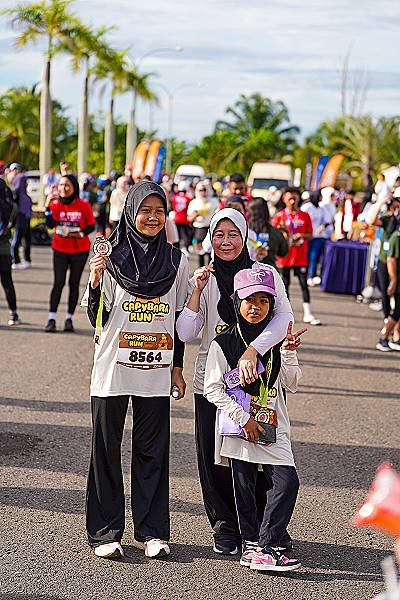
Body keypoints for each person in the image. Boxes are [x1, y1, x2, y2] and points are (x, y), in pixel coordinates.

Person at [176, 208, 293, 555]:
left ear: (245, 237)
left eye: (233, 234)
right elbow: (185, 332)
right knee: (214, 459)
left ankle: (265, 527)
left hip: (261, 382)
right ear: (209, 238)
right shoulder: (204, 278)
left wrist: (253, 351)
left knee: (261, 455)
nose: (226, 242)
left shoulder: (265, 273)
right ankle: (226, 526)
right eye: (219, 235)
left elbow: (284, 317)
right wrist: (196, 292)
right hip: (213, 382)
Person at [83, 181, 189, 560]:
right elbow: (96, 317)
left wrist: (177, 368)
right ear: (130, 211)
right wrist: (96, 279)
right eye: (145, 210)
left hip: (156, 369)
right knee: (105, 449)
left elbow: (178, 318)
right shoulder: (109, 256)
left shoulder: (177, 261)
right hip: (112, 368)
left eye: (160, 211)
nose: (153, 218)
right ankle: (105, 532)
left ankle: (153, 532)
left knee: (152, 452)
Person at [205, 268, 304, 571]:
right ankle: (254, 545)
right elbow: (212, 389)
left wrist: (288, 353)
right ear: (237, 301)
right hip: (239, 427)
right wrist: (243, 418)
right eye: (249, 300)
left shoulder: (275, 339)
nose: (256, 307)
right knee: (244, 489)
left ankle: (268, 542)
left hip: (274, 424)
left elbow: (291, 383)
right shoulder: (223, 343)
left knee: (287, 482)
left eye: (264, 301)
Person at [44, 174, 95, 333]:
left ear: (74, 187)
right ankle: (51, 319)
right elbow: (50, 225)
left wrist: (78, 233)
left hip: (80, 250)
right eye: (61, 185)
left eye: (67, 185)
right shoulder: (56, 205)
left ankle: (69, 319)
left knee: (74, 284)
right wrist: (47, 206)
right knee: (58, 283)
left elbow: (91, 226)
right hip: (60, 249)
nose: (63, 188)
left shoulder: (83, 205)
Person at [273, 188, 321, 326]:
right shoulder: (280, 216)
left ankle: (308, 313)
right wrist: (284, 234)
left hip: (300, 256)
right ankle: (286, 314)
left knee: (303, 284)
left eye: (295, 198)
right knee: (285, 285)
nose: (292, 201)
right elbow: (274, 234)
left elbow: (310, 235)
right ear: (284, 199)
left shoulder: (305, 215)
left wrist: (301, 235)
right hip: (285, 257)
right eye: (290, 199)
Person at [376, 224, 400, 352]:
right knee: (397, 312)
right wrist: (394, 280)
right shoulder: (396, 237)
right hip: (398, 281)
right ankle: (384, 338)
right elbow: (390, 260)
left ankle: (396, 337)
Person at [0, 179, 21, 325]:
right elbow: (13, 224)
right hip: (5, 250)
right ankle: (13, 314)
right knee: (7, 283)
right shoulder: (12, 207)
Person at [248, 197, 289, 269]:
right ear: (266, 212)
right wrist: (287, 235)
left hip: (248, 272)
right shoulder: (275, 232)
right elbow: (283, 253)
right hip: (270, 271)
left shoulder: (244, 233)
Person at [187, 180, 219, 267]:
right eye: (200, 190)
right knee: (200, 252)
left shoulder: (214, 201)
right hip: (199, 229)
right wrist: (195, 215)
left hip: (210, 228)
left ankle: (210, 270)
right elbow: (189, 218)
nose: (203, 192)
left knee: (210, 252)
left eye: (204, 189)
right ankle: (201, 269)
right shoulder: (194, 203)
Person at [9, 163, 32, 269]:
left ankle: (20, 260)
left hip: (23, 214)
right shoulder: (18, 180)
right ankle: (17, 260)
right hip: (21, 214)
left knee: (23, 237)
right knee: (20, 237)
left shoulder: (18, 181)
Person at [300, 191, 326, 286]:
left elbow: (325, 220)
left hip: (318, 236)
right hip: (308, 236)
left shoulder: (322, 208)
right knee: (306, 256)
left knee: (314, 257)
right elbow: (301, 220)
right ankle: (303, 275)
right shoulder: (307, 207)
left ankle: (311, 276)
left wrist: (322, 226)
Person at [171, 180, 193, 254]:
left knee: (176, 236)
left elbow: (173, 207)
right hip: (184, 219)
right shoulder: (188, 198)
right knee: (185, 236)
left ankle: (175, 250)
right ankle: (185, 248)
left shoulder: (174, 197)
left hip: (176, 218)